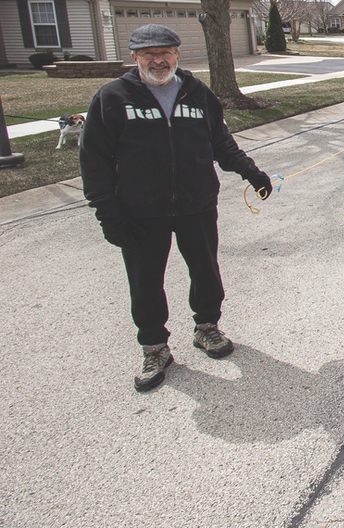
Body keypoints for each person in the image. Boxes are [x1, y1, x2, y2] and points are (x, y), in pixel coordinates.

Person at [79, 24, 274, 392]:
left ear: (178, 55)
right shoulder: (112, 97)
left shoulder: (197, 93)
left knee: (205, 270)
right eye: (149, 54)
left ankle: (207, 329)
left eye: (166, 52)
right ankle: (155, 347)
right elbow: (93, 161)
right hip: (140, 210)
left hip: (196, 204)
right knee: (145, 280)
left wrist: (253, 173)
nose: (158, 60)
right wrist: (108, 215)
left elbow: (221, 143)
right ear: (134, 57)